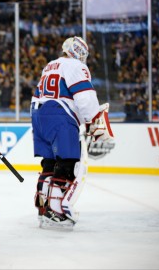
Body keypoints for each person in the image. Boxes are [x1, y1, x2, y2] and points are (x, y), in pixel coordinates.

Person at [31, 36, 114, 230]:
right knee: (67, 163)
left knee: (49, 163)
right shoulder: (76, 66)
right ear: (79, 52)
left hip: (38, 114)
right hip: (60, 115)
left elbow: (38, 94)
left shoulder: (50, 65)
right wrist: (93, 120)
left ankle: (43, 210)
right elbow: (84, 96)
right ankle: (57, 211)